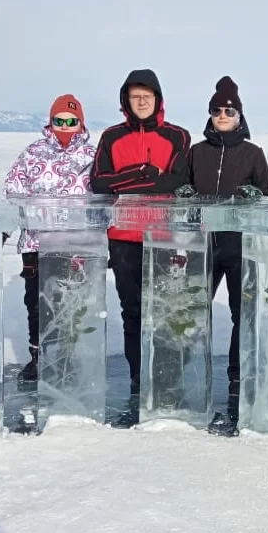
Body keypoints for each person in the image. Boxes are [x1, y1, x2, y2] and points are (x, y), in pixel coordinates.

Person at [90, 69, 190, 426]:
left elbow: (177, 181)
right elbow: (99, 182)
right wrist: (146, 173)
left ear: (158, 98)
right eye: (135, 96)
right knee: (131, 310)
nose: (142, 101)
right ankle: (136, 376)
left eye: (147, 95)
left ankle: (166, 375)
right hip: (123, 237)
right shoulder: (112, 136)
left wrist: (133, 180)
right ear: (126, 101)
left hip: (163, 236)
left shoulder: (177, 135)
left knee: (165, 310)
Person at [189, 76, 268, 434]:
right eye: (217, 110)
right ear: (210, 115)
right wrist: (184, 192)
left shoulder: (253, 153)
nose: (223, 115)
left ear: (239, 115)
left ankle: (238, 378)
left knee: (243, 313)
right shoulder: (196, 151)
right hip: (204, 243)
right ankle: (195, 371)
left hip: (239, 245)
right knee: (195, 311)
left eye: (229, 110)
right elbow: (184, 187)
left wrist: (256, 193)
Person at [3, 94, 97, 381]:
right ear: (51, 121)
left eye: (72, 121)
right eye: (60, 120)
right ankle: (38, 358)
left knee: (71, 303)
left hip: (76, 243)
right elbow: (12, 189)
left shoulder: (94, 156)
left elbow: (105, 195)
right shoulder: (33, 153)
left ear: (81, 124)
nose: (65, 125)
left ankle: (69, 358)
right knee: (37, 303)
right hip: (36, 242)